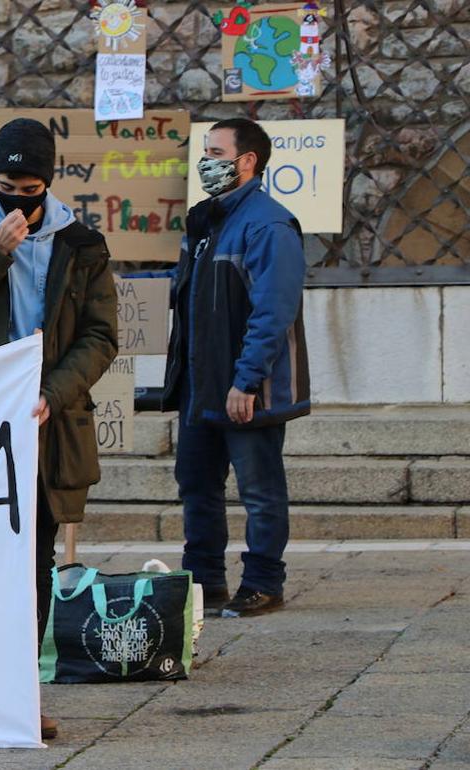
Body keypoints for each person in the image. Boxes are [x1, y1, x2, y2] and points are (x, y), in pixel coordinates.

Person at [0, 118, 118, 739]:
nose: (18, 200)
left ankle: (19, 696)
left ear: (48, 184)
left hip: (46, 423)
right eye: (7, 185)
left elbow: (100, 336)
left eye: (30, 189)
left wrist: (52, 394)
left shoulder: (80, 244)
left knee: (33, 561)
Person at [161, 118, 310, 618]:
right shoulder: (205, 222)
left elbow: (274, 311)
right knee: (196, 484)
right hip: (200, 388)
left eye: (215, 151)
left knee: (259, 490)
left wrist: (246, 380)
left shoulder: (268, 224)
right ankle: (204, 581)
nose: (206, 161)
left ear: (246, 161)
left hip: (246, 388)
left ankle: (264, 581)